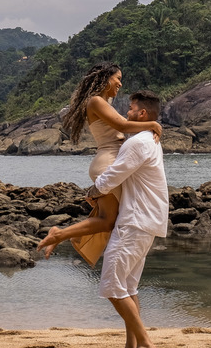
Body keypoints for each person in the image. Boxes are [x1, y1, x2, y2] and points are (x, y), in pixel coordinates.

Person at [36, 62, 161, 265]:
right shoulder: (95, 101)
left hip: (109, 161)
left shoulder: (102, 102)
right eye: (118, 78)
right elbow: (122, 125)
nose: (120, 83)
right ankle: (59, 234)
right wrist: (153, 124)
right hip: (108, 163)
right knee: (108, 220)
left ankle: (62, 235)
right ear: (105, 78)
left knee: (108, 219)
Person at [89, 90, 168, 348]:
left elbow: (115, 172)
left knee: (111, 284)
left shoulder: (138, 142)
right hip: (147, 220)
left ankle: (146, 343)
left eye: (132, 109)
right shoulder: (150, 139)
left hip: (136, 220)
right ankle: (131, 346)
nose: (127, 113)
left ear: (142, 114)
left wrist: (94, 189)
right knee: (128, 285)